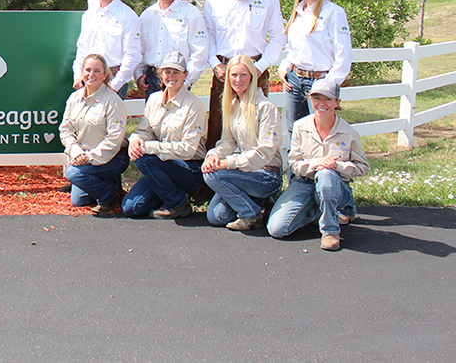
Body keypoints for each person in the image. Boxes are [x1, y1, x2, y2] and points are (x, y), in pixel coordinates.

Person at [202, 0, 286, 148]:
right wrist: (215, 64)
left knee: (256, 123)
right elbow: (207, 36)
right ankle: (212, 176)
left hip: (256, 70)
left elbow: (278, 38)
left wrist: (259, 68)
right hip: (224, 70)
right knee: (218, 124)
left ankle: (256, 172)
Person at [268, 80, 368, 251]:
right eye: (316, 98)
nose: (322, 104)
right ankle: (319, 208)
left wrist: (336, 167)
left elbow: (362, 167)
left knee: (326, 174)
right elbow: (293, 163)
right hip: (305, 182)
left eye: (328, 99)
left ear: (337, 102)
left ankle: (330, 230)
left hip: (335, 184)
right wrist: (317, 163)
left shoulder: (348, 132)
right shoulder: (300, 127)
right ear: (310, 99)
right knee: (277, 229)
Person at [202, 55, 284, 231]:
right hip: (247, 172)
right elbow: (227, 141)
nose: (238, 80)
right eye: (234, 75)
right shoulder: (232, 104)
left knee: (213, 175)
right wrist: (213, 156)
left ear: (252, 77)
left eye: (243, 75)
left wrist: (228, 163)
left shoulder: (265, 107)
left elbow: (266, 151)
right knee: (216, 216)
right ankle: (259, 202)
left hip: (266, 174)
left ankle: (250, 214)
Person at [122, 52, 207, 219]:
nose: (171, 76)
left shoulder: (193, 105)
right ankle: (169, 192)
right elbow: (144, 130)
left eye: (176, 72)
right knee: (132, 208)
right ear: (160, 74)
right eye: (167, 72)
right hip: (161, 166)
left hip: (189, 168)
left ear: (185, 75)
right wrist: (135, 141)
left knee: (143, 158)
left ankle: (177, 203)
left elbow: (188, 150)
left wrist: (149, 147)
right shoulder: (154, 99)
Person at [276, 0, 352, 130]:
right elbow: (294, 49)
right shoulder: (299, 12)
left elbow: (344, 53)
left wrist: (329, 83)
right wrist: (284, 67)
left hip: (320, 80)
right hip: (295, 79)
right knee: (294, 129)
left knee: (320, 129)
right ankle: (294, 158)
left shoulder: (334, 13)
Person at [59, 54, 130, 213]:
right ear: (82, 72)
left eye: (97, 71)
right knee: (79, 201)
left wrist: (88, 158)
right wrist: (76, 152)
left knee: (73, 173)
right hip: (83, 156)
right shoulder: (74, 98)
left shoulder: (113, 101)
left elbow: (114, 139)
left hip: (113, 158)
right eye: (88, 70)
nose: (91, 75)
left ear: (105, 75)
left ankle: (109, 194)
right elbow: (66, 129)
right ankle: (111, 185)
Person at [73, 0, 142, 100]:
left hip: (114, 80)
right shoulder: (88, 16)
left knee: (112, 122)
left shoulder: (128, 16)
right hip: (89, 81)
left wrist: (115, 85)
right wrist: (78, 76)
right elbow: (81, 48)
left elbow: (133, 55)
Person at [136, 0, 208, 99]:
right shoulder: (146, 15)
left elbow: (200, 51)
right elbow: (140, 49)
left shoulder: (191, 14)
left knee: (178, 119)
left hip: (178, 78)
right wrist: (139, 75)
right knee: (152, 119)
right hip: (152, 78)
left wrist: (186, 81)